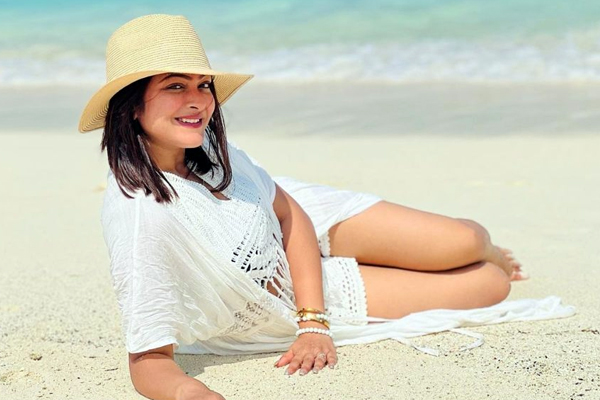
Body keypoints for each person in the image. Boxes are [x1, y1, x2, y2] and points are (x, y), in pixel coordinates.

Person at [79, 14, 572, 400]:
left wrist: (314, 322)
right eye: (175, 86)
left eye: (202, 84)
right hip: (274, 288)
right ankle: (467, 262)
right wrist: (196, 393)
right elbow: (148, 360)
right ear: (132, 106)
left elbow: (290, 214)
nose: (199, 101)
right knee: (489, 284)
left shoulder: (207, 147)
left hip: (290, 222)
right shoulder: (141, 217)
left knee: (467, 239)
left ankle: (481, 249)